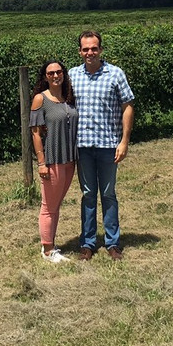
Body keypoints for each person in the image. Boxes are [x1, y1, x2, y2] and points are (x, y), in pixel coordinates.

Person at [69, 30, 135, 261]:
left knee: (108, 194)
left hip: (109, 145)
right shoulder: (72, 75)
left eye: (94, 48)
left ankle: (112, 243)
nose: (90, 52)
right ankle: (87, 243)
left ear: (101, 50)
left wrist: (124, 141)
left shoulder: (115, 74)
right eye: (85, 49)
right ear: (80, 51)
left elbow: (128, 106)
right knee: (88, 194)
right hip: (83, 146)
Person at [30, 59, 78, 263]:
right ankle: (47, 249)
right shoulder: (40, 99)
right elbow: (35, 132)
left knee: (56, 204)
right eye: (51, 73)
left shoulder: (69, 98)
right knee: (48, 206)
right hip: (52, 159)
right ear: (45, 77)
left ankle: (52, 244)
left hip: (70, 159)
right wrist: (41, 162)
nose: (56, 76)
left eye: (59, 72)